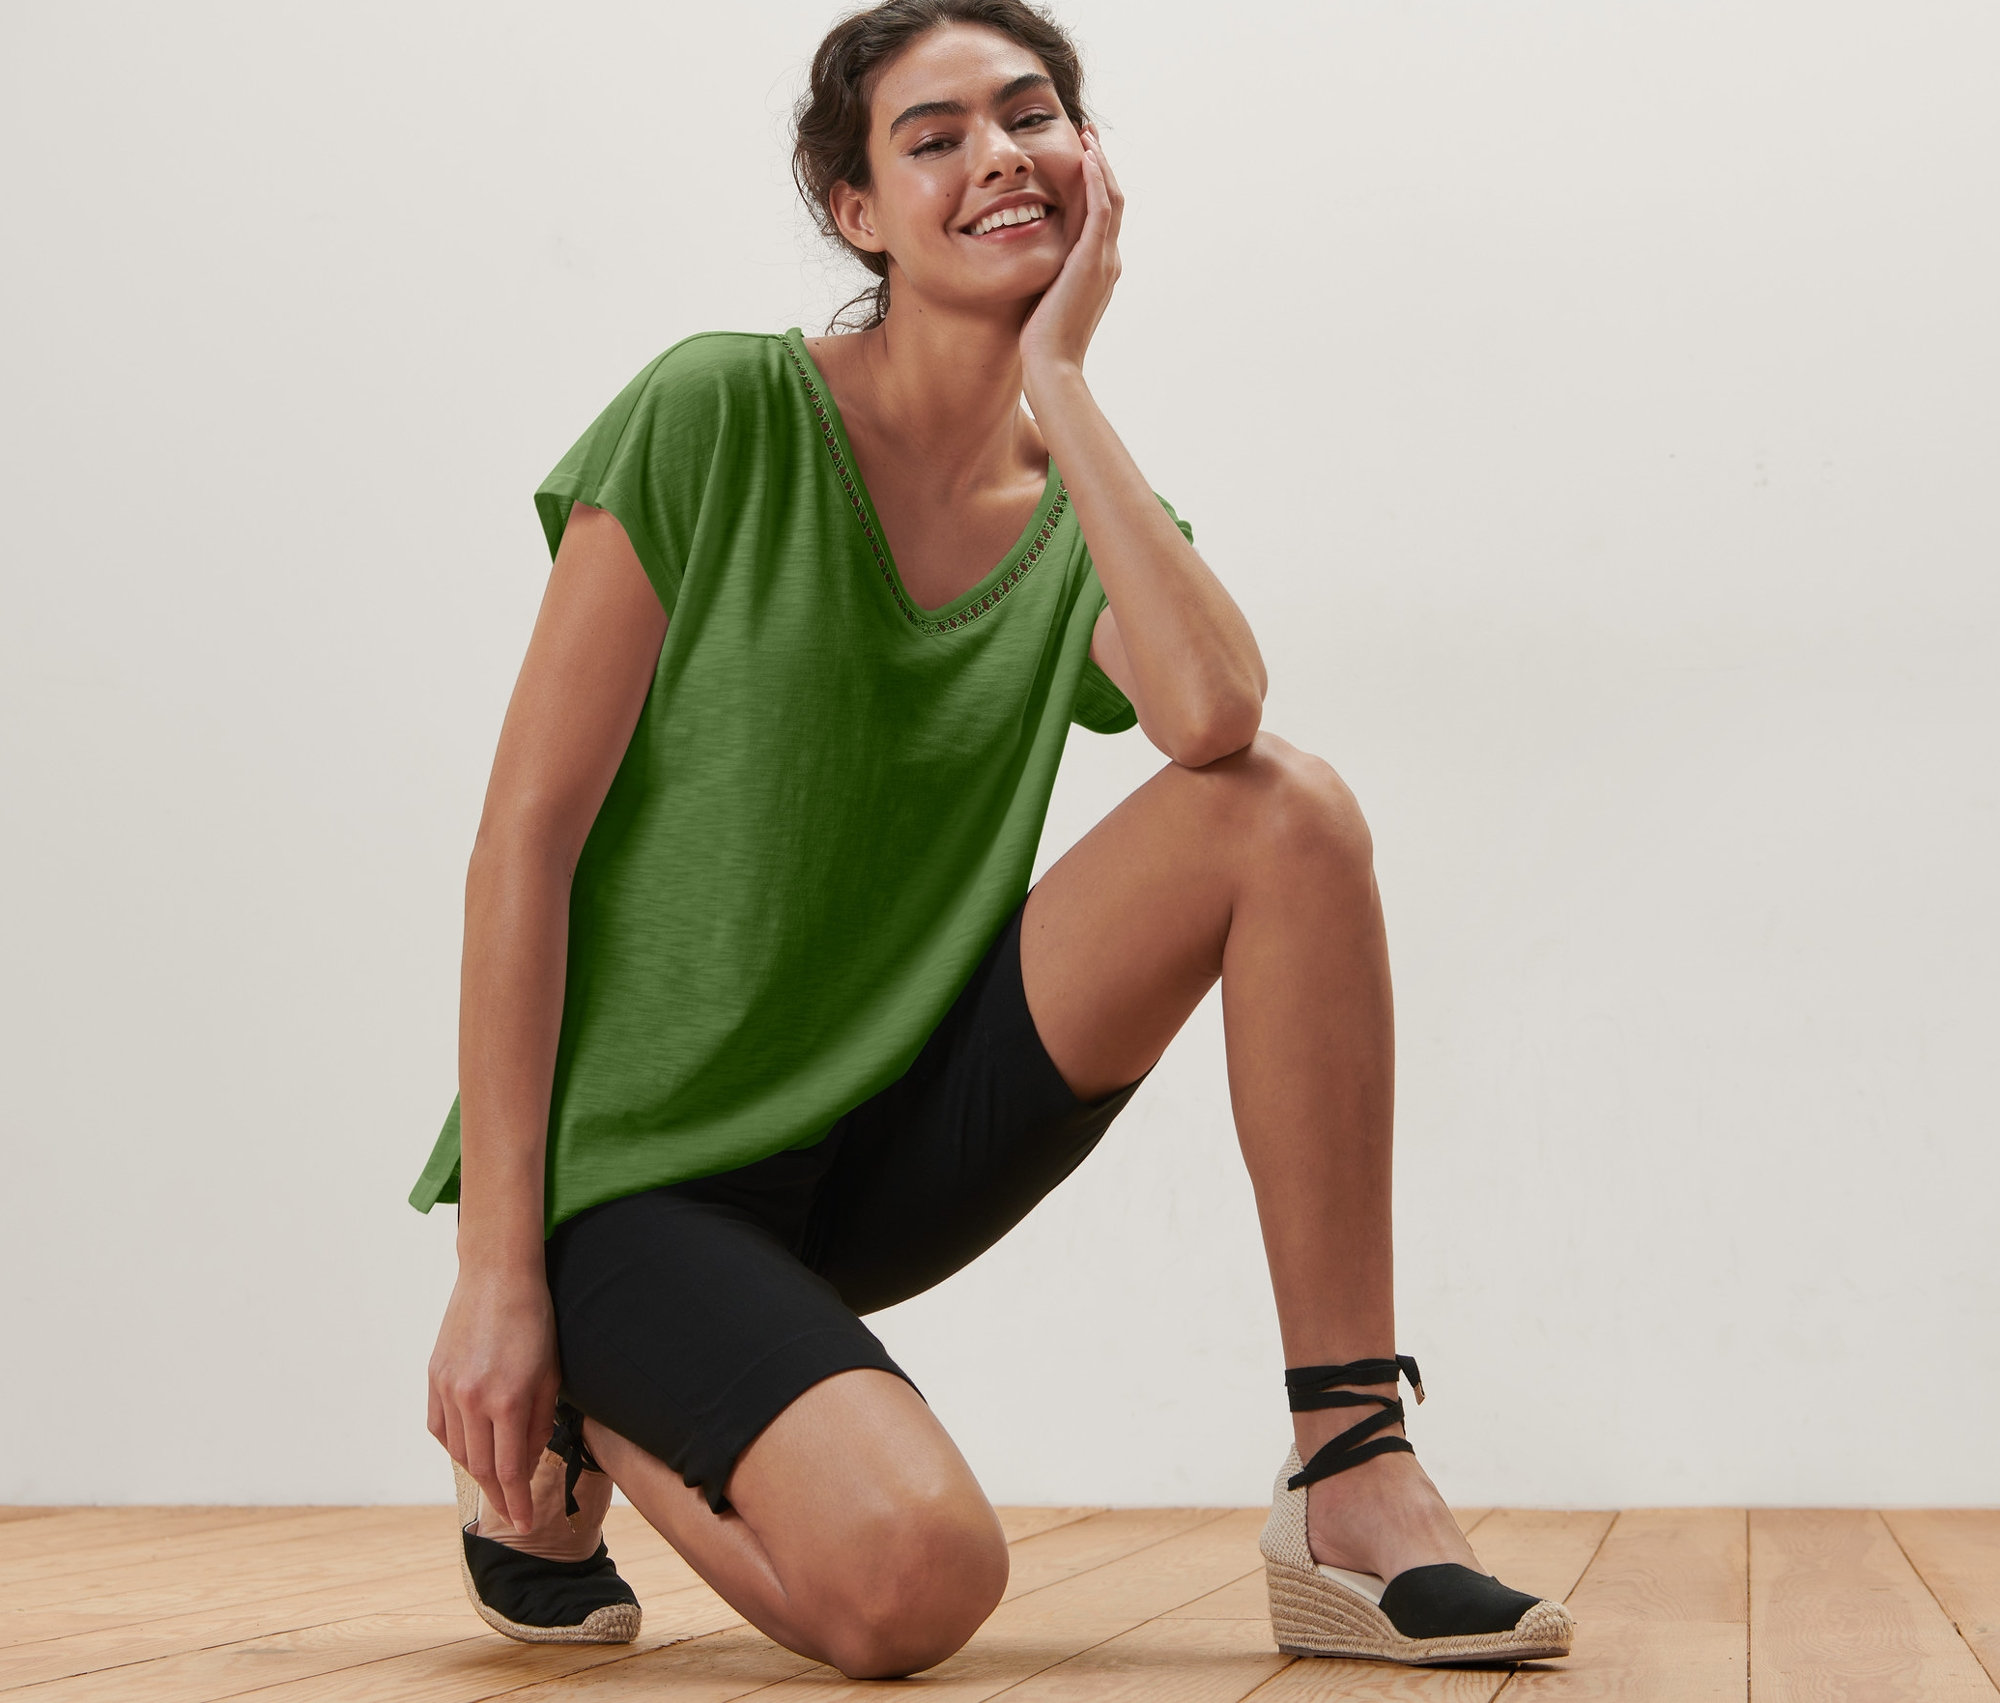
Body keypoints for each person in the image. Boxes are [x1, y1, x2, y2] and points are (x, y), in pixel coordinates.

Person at [413, 0, 1575, 1680]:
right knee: (917, 1585)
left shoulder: (1080, 512)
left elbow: (1213, 720)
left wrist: (1061, 380)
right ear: (854, 211)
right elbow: (521, 844)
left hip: (889, 1139)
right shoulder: (718, 413)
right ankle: (590, 1396)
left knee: (1289, 815)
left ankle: (1350, 1471)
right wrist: (498, 1275)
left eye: (1031, 115)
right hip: (637, 1176)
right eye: (933, 136)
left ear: (1090, 163)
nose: (997, 159)